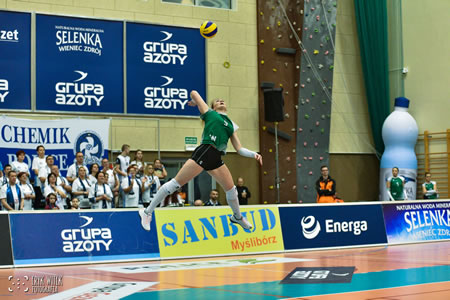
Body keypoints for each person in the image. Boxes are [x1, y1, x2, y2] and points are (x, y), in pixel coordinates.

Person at [139, 90, 263, 231]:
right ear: (212, 106)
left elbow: (239, 149)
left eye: (223, 100)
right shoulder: (210, 113)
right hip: (204, 151)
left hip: (216, 157)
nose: (221, 101)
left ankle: (237, 217)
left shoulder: (231, 125)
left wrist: (254, 154)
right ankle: (147, 212)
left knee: (232, 190)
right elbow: (194, 92)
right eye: (217, 101)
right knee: (175, 184)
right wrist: (195, 101)